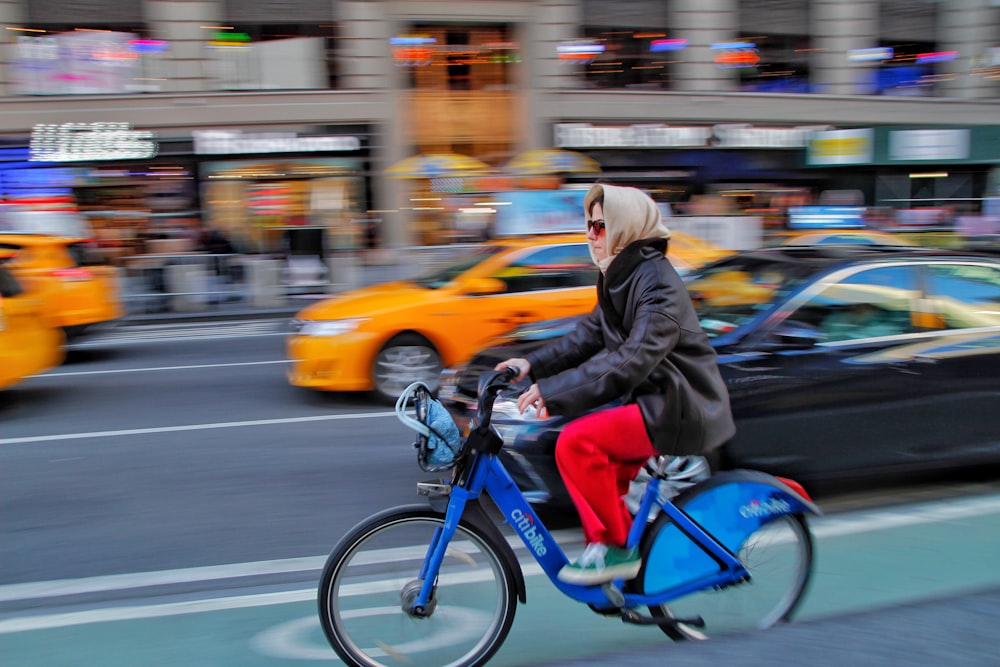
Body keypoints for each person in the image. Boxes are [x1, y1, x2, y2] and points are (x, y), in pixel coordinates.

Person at [495, 183, 735, 586]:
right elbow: (586, 337)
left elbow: (631, 359)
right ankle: (619, 561)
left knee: (576, 443)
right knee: (599, 479)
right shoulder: (617, 275)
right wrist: (530, 364)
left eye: (601, 226)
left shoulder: (655, 282)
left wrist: (553, 391)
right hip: (652, 401)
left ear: (626, 226)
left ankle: (617, 551)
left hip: (679, 406)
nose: (590, 234)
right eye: (588, 225)